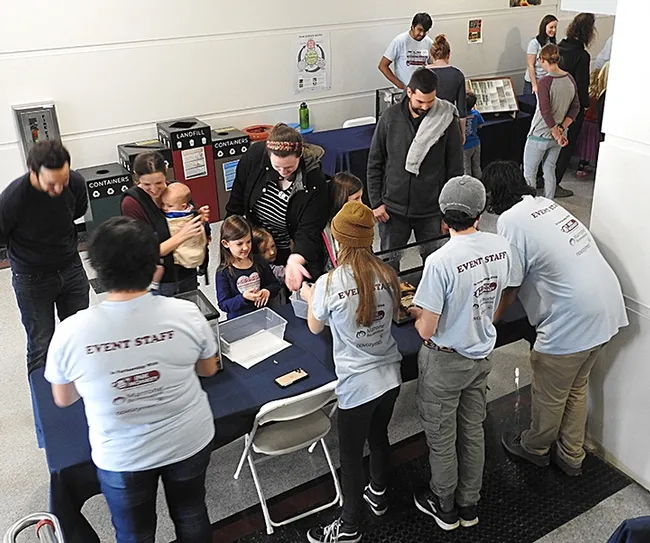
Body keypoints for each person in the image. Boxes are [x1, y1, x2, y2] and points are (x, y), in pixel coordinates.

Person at [44, 216, 219, 542]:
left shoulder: (71, 332)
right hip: (188, 439)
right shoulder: (186, 313)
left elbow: (64, 398)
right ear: (156, 269)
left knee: (133, 532)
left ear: (98, 273)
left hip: (122, 456)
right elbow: (208, 369)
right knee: (192, 513)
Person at [482, 161, 628, 477]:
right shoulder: (544, 203)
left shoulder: (510, 220)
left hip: (571, 323)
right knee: (576, 388)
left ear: (496, 193)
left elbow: (512, 282)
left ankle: (535, 447)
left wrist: (490, 320)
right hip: (606, 311)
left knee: (550, 394)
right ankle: (571, 454)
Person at [409, 176, 511, 532]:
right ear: (480, 214)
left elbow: (426, 329)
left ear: (442, 217)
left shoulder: (440, 261)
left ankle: (444, 503)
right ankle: (470, 503)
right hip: (481, 354)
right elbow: (501, 294)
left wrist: (415, 311)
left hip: (445, 361)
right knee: (471, 431)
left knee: (441, 437)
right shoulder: (501, 246)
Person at [301, 201, 402, 543]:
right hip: (390, 376)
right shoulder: (388, 274)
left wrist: (310, 293)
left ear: (338, 239)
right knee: (379, 437)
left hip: (357, 386)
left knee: (350, 456)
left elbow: (315, 326)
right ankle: (379, 493)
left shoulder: (329, 283)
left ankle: (349, 525)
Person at [0, 140, 89, 374]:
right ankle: (45, 407)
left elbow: (77, 211)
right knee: (41, 345)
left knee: (79, 335)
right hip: (32, 278)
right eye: (51, 184)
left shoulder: (76, 182)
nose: (58, 190)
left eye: (63, 181)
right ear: (33, 172)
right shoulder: (13, 199)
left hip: (71, 268)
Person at [368, 68, 464, 252]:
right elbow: (375, 162)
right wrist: (376, 203)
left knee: (434, 264)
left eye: (431, 101)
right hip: (392, 211)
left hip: (432, 211)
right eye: (420, 101)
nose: (426, 107)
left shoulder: (446, 119)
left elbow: (455, 170)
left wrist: (449, 214)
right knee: (389, 265)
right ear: (409, 92)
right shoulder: (389, 118)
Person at [226, 123, 328, 291]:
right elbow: (236, 204)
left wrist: (296, 260)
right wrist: (232, 242)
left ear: (300, 155)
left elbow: (309, 229)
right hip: (257, 245)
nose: (282, 171)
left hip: (292, 247)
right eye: (277, 166)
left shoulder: (314, 179)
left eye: (289, 167)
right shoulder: (254, 157)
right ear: (268, 155)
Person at [121, 151, 208, 296]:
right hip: (161, 280)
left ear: (166, 172)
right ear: (136, 177)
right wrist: (182, 235)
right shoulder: (132, 203)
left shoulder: (177, 191)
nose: (154, 190)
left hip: (187, 270)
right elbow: (144, 253)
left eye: (159, 183)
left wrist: (201, 219)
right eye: (147, 184)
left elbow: (192, 220)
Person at [523, 44, 580, 199]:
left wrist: (554, 131)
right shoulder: (569, 79)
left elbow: (545, 110)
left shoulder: (544, 82)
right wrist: (561, 129)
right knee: (549, 169)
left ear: (541, 59)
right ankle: (549, 203)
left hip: (540, 133)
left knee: (530, 172)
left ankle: (531, 206)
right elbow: (576, 107)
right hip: (560, 135)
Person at [555, 12, 597, 198]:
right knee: (566, 143)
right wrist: (585, 105)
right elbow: (582, 84)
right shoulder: (582, 55)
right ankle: (555, 183)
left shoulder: (558, 48)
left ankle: (543, 178)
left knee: (549, 141)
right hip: (573, 106)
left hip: (555, 101)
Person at [216, 215, 281, 320]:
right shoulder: (223, 272)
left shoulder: (259, 261)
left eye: (248, 242)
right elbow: (223, 304)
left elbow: (275, 285)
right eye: (239, 244)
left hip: (263, 317)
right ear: (225, 243)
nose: (246, 247)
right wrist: (243, 298)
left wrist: (267, 291)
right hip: (238, 322)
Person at [425, 34, 468, 142]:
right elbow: (462, 109)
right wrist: (462, 133)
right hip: (448, 125)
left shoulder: (421, 74)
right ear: (448, 54)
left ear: (431, 55)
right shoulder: (457, 75)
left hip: (425, 126)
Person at [160, 182, 210, 271]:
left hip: (186, 256)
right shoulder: (190, 210)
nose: (164, 208)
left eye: (169, 206)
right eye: (163, 203)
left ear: (183, 206)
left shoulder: (176, 216)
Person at [379, 13, 434, 90]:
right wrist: (401, 86)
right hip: (403, 92)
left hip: (421, 91)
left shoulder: (429, 43)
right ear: (412, 27)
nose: (422, 34)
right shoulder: (399, 41)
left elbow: (433, 66)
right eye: (419, 30)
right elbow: (383, 66)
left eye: (425, 31)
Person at [575, 62, 609, 178]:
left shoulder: (588, 94)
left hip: (585, 123)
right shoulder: (600, 97)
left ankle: (581, 165)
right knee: (590, 146)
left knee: (583, 145)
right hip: (594, 124)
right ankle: (586, 165)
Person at [325, 172, 364, 269]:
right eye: (356, 199)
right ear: (341, 199)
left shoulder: (358, 223)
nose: (361, 204)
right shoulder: (324, 231)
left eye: (361, 198)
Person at [523, 15, 558, 95]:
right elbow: (530, 65)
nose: (554, 30)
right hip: (533, 80)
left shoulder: (552, 43)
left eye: (555, 27)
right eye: (551, 27)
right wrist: (534, 85)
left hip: (546, 79)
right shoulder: (534, 43)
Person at [463, 92, 485, 179]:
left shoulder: (459, 116)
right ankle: (480, 183)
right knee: (477, 166)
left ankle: (468, 187)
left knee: (466, 168)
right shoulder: (476, 113)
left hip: (465, 146)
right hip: (476, 143)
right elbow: (480, 125)